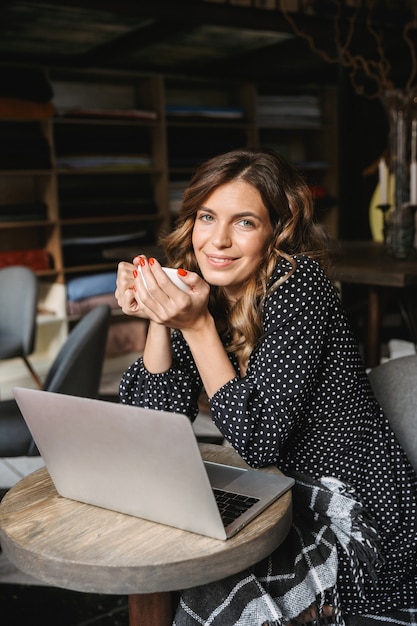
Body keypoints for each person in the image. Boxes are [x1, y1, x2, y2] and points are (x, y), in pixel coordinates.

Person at [115, 148, 417, 625]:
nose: (218, 240)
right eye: (208, 217)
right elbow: (150, 424)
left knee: (214, 579)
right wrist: (161, 315)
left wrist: (195, 328)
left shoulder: (301, 288)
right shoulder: (204, 292)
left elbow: (257, 439)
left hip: (355, 510)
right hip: (279, 488)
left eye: (245, 223)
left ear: (276, 230)